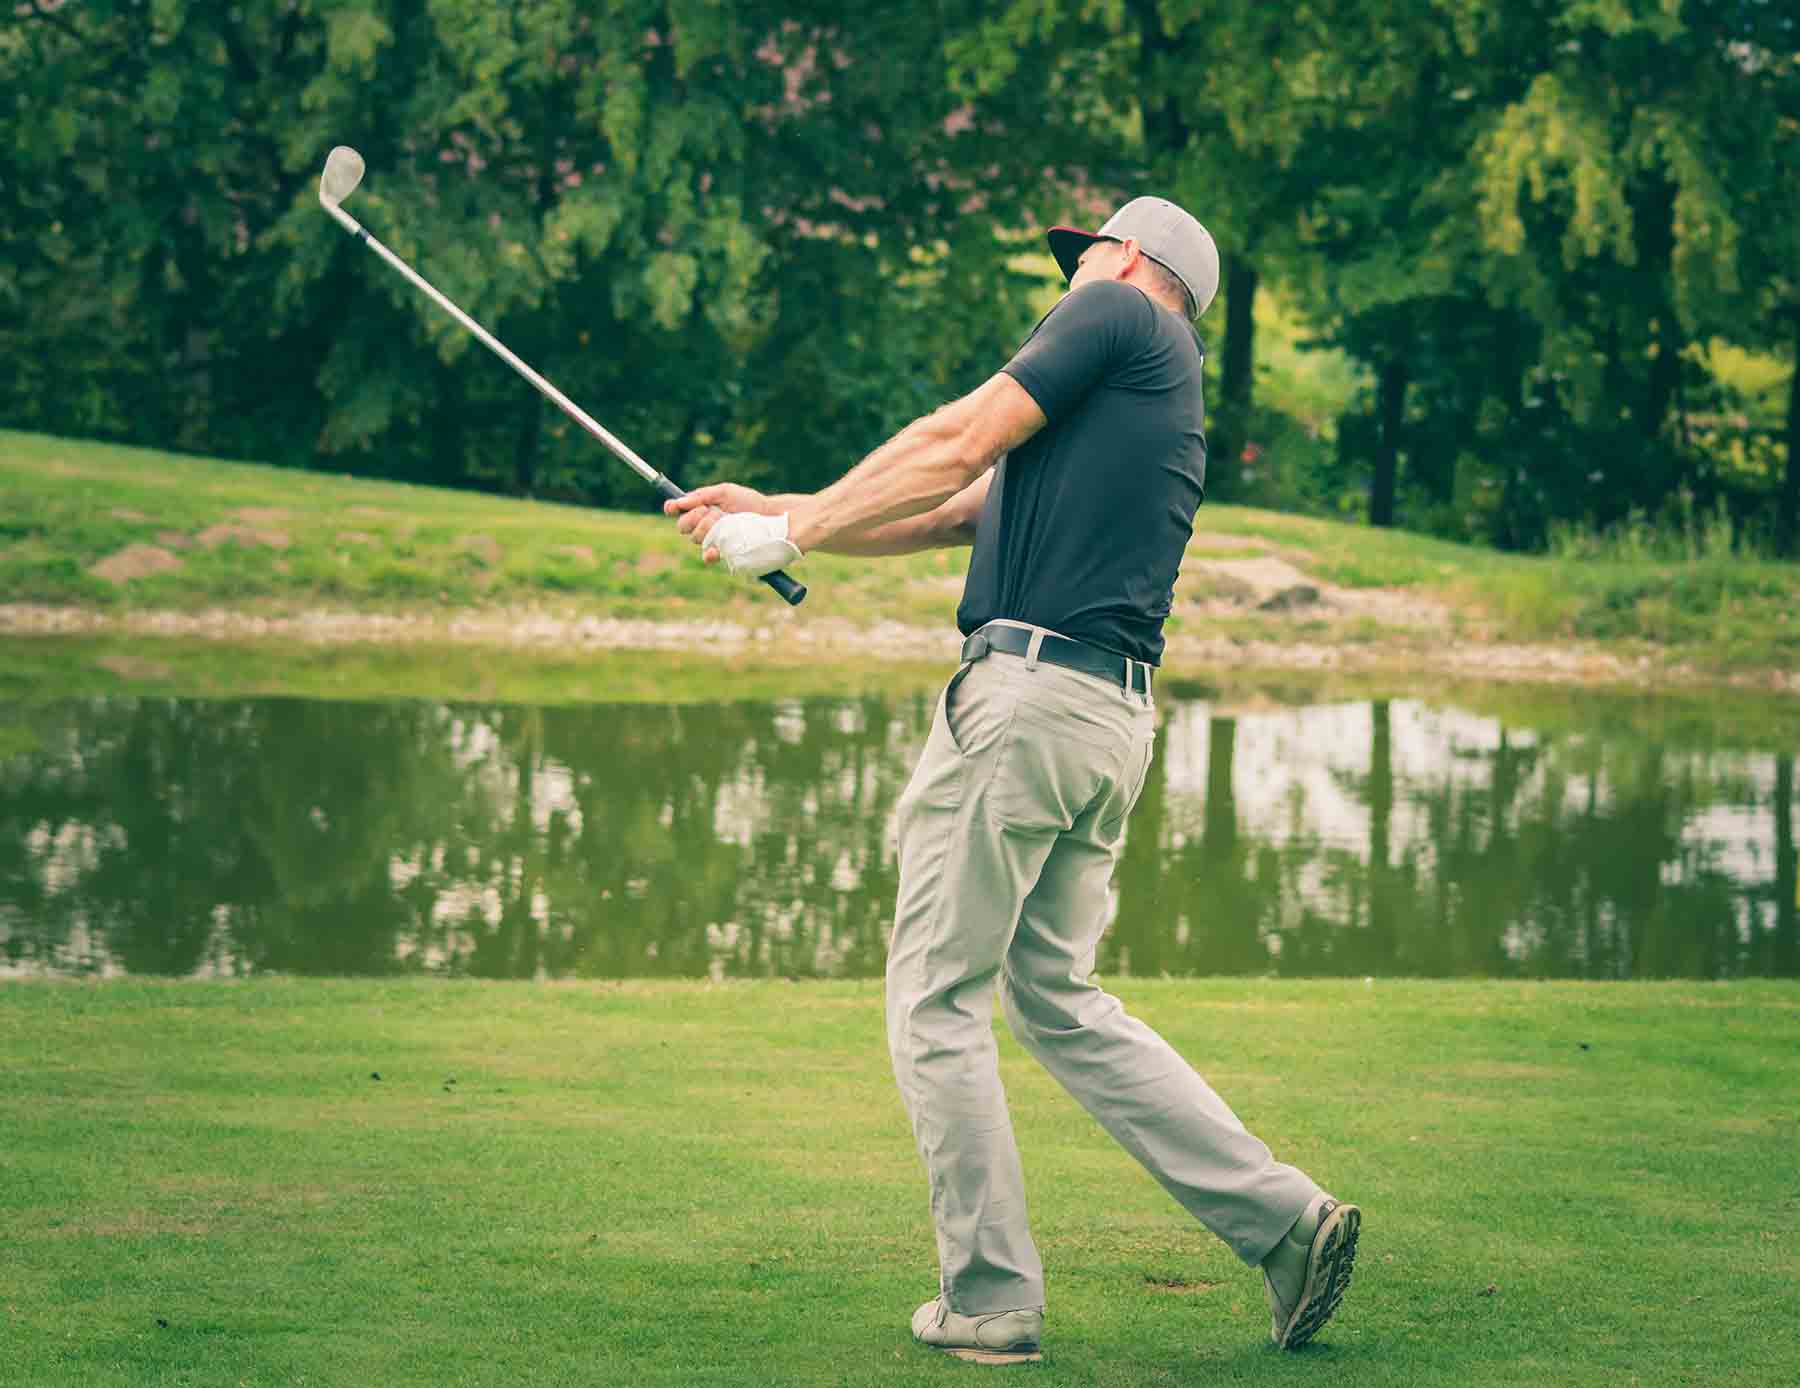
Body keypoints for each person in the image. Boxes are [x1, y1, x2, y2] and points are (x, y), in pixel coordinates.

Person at [664, 196, 1359, 1365]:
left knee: (937, 996)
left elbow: (958, 436)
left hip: (1029, 706)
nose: (1073, 271)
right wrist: (789, 514)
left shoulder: (1116, 320)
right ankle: (1285, 1220)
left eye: (1085, 251)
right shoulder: (1147, 394)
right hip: (1105, 719)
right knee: (1056, 996)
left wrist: (792, 534)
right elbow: (951, 508)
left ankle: (990, 1298)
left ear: (1131, 258)